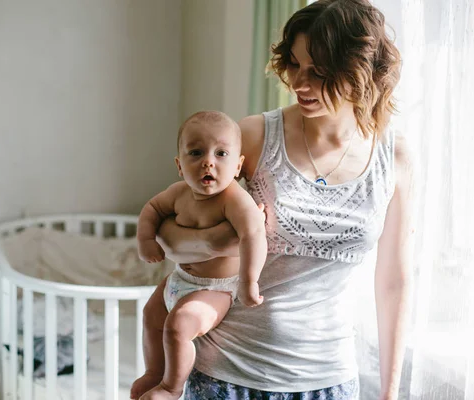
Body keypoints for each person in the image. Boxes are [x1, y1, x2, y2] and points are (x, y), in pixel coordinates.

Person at [154, 1, 415, 399]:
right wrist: (220, 240)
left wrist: (390, 392)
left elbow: (393, 281)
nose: (299, 83)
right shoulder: (256, 137)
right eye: (294, 65)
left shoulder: (394, 157)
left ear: (360, 72)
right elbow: (168, 232)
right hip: (227, 371)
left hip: (329, 380)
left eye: (319, 72)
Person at [130, 110, 268, 400]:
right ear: (180, 166)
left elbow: (254, 234)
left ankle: (171, 387)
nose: (208, 161)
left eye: (221, 153)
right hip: (179, 279)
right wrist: (145, 240)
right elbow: (151, 210)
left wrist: (249, 281)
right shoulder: (178, 193)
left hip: (215, 289)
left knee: (178, 327)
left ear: (238, 165)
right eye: (196, 152)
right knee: (151, 315)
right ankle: (154, 373)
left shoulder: (233, 199)